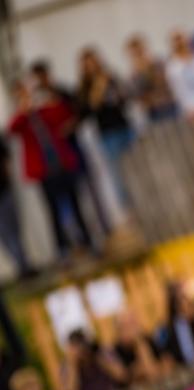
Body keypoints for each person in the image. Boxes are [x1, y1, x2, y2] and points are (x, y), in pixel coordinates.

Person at [7, 80, 93, 259]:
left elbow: (64, 115)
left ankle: (87, 241)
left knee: (75, 205)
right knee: (53, 211)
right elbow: (12, 129)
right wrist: (23, 111)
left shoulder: (44, 111)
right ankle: (63, 249)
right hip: (44, 172)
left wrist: (48, 98)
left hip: (62, 165)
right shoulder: (22, 119)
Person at [30, 59, 111, 237]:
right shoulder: (34, 101)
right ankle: (77, 236)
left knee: (89, 188)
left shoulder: (61, 93)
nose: (41, 80)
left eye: (43, 75)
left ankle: (104, 228)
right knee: (65, 199)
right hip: (53, 157)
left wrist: (70, 125)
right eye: (37, 77)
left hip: (72, 148)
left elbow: (80, 113)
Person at [77, 48, 136, 209]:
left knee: (135, 165)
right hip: (108, 134)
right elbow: (89, 110)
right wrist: (99, 86)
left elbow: (124, 100)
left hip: (124, 125)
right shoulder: (85, 86)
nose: (92, 66)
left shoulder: (110, 76)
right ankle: (127, 207)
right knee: (117, 173)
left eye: (94, 61)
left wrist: (120, 91)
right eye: (88, 64)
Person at [0, 134, 35, 277]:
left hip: (4, 188)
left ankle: (24, 264)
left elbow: (6, 156)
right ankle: (22, 267)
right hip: (4, 189)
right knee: (7, 233)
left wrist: (7, 173)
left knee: (14, 229)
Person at [62, 329, 127, 390]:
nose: (82, 349)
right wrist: (73, 364)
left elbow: (122, 376)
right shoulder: (68, 367)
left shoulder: (102, 353)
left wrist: (99, 357)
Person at [125, 35, 178, 123]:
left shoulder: (158, 63)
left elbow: (168, 81)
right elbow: (137, 96)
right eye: (135, 52)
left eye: (140, 50)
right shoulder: (133, 75)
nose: (139, 54)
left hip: (170, 105)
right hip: (153, 111)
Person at [112, 310, 161, 384]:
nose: (132, 330)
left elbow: (153, 372)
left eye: (133, 324)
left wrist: (139, 341)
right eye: (127, 326)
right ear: (119, 331)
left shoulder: (147, 339)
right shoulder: (115, 351)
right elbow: (124, 377)